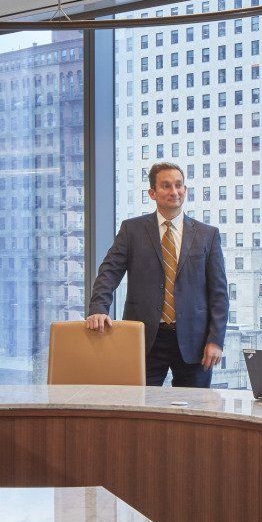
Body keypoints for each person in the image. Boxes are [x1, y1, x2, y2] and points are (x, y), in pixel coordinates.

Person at [85, 161, 230, 387]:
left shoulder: (207, 235)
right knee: (140, 411)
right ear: (152, 193)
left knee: (193, 412)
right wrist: (98, 309)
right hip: (145, 338)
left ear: (185, 190)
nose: (174, 191)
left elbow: (219, 294)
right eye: (166, 186)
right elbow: (109, 272)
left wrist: (216, 340)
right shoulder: (131, 230)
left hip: (195, 341)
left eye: (179, 185)